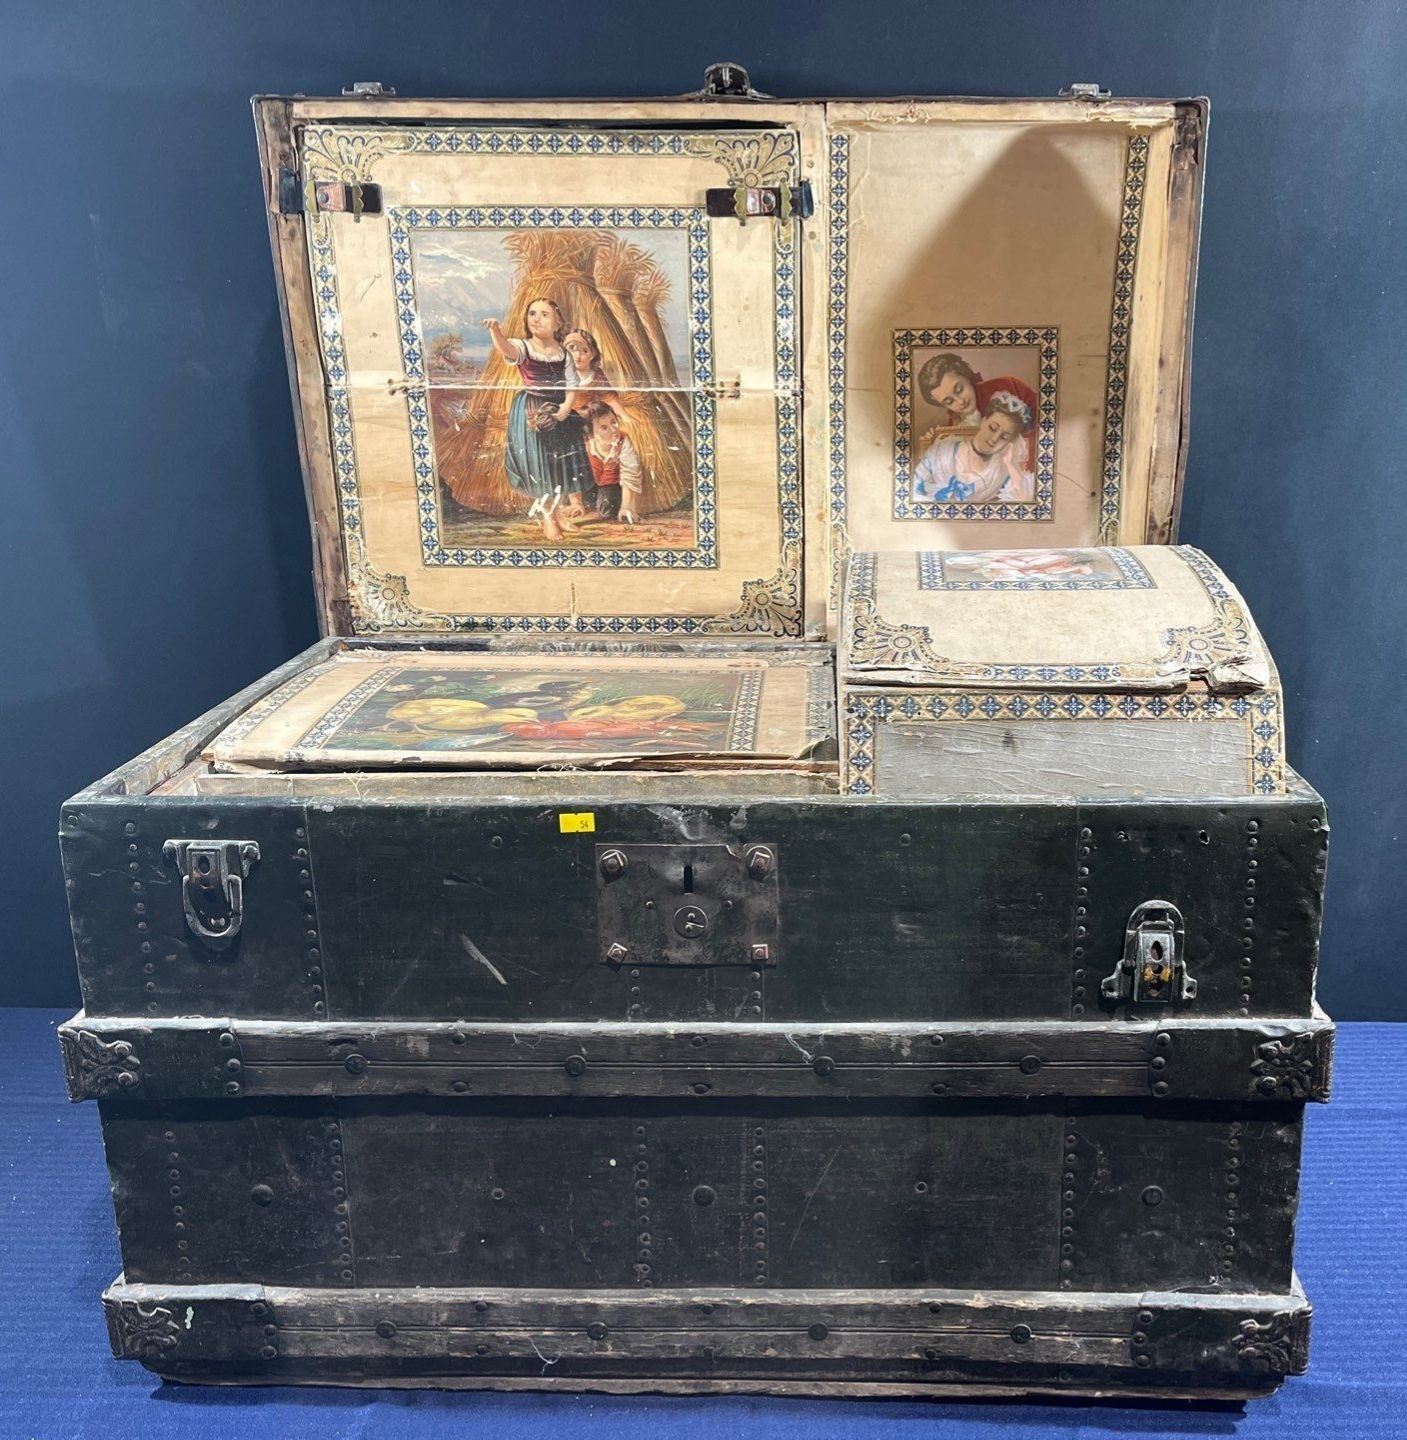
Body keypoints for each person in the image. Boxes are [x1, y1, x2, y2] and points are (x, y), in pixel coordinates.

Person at [482, 298, 595, 540]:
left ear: (557, 322)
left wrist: (566, 407)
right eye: (532, 313)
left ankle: (559, 515)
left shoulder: (564, 353)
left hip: (559, 409)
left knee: (559, 464)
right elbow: (507, 349)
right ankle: (548, 518)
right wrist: (496, 331)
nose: (536, 319)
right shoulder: (524, 347)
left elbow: (572, 384)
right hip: (532, 409)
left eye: (544, 314)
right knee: (539, 465)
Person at [916, 351, 1040, 470]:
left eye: (959, 389)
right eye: (949, 401)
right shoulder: (955, 424)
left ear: (966, 377)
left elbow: (1043, 417)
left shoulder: (1007, 386)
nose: (960, 401)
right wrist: (935, 441)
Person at [911, 391, 1034, 504]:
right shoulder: (943, 451)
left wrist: (1009, 464)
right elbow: (911, 491)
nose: (994, 439)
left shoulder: (1001, 471)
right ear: (983, 421)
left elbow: (1024, 502)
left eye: (1004, 437)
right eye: (992, 428)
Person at [583, 401, 644, 524]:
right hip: (588, 483)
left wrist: (626, 506)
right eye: (604, 428)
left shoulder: (623, 441)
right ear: (591, 435)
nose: (613, 429)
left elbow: (630, 472)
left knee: (607, 511)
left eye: (614, 422)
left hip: (611, 483)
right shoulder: (586, 444)